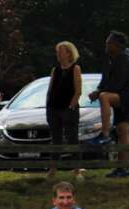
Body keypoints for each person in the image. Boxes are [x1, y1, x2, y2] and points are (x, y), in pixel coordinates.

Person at [88, 31, 129, 178]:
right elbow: (104, 82)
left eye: (109, 42)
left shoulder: (124, 60)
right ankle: (123, 168)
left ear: (117, 45)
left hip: (127, 95)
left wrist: (100, 93)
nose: (106, 44)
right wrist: (97, 90)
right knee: (123, 130)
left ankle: (105, 134)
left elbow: (118, 84)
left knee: (104, 97)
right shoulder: (110, 59)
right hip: (119, 94)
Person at [46, 41, 83, 179]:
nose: (58, 55)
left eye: (60, 52)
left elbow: (78, 91)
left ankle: (77, 170)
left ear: (68, 53)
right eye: (57, 52)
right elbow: (50, 90)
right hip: (54, 108)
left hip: (68, 109)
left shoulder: (75, 69)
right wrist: (48, 107)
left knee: (72, 138)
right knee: (55, 140)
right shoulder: (55, 70)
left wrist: (71, 107)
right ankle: (52, 169)